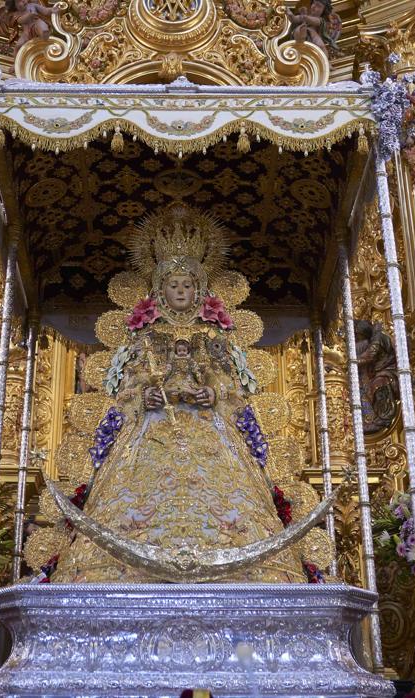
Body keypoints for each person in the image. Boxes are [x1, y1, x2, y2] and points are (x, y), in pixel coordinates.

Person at [50, 205, 307, 583]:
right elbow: (127, 387)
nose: (181, 291)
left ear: (199, 289)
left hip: (211, 436)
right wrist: (144, 398)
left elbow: (232, 388)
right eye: (173, 285)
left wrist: (212, 395)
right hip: (150, 434)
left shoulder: (214, 337)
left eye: (187, 285)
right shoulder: (144, 337)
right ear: (159, 290)